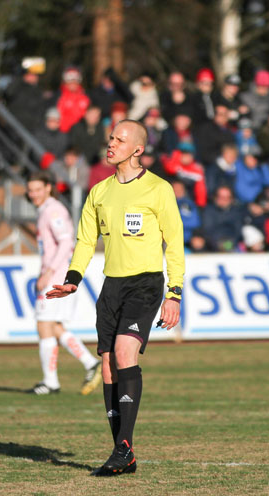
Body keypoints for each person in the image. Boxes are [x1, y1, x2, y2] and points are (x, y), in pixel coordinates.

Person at [46, 119, 184, 477]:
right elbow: (85, 242)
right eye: (111, 138)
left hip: (146, 284)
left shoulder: (158, 189)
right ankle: (123, 452)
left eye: (120, 140)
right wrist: (73, 279)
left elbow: (175, 244)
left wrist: (175, 293)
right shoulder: (99, 192)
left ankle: (123, 448)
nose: (111, 144)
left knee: (125, 353)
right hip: (111, 286)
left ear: (137, 149)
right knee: (108, 365)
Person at [25, 173, 102, 395]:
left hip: (56, 275)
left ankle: (51, 382)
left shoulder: (53, 210)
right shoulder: (46, 210)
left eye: (38, 189)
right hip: (57, 273)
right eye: (30, 190)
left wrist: (49, 273)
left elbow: (67, 241)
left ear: (48, 188)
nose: (34, 194)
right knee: (54, 327)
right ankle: (90, 363)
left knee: (44, 326)